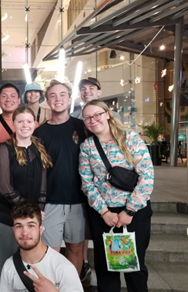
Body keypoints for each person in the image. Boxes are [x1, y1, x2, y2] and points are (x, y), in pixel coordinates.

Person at [79, 99, 154, 292]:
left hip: (134, 213)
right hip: (103, 215)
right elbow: (87, 183)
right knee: (105, 269)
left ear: (107, 114)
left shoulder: (131, 139)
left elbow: (146, 177)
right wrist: (104, 212)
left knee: (134, 267)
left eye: (97, 114)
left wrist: (129, 210)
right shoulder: (87, 146)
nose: (92, 120)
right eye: (87, 117)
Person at [0, 106, 52, 292]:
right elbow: (5, 188)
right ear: (14, 123)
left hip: (31, 216)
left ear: (34, 124)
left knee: (29, 264)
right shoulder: (5, 148)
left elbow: (43, 185)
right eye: (20, 121)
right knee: (7, 263)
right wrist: (28, 212)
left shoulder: (39, 147)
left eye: (28, 121)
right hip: (7, 216)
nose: (25, 125)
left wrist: (38, 210)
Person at [34, 79, 87, 277]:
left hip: (79, 200)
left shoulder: (82, 127)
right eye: (53, 95)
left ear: (70, 98)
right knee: (50, 252)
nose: (58, 99)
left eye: (62, 94)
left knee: (75, 249)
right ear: (47, 100)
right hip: (51, 201)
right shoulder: (40, 132)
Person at [0, 200, 84, 292]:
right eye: (19, 226)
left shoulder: (64, 267)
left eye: (31, 225)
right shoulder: (9, 266)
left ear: (41, 229)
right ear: (13, 230)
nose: (24, 232)